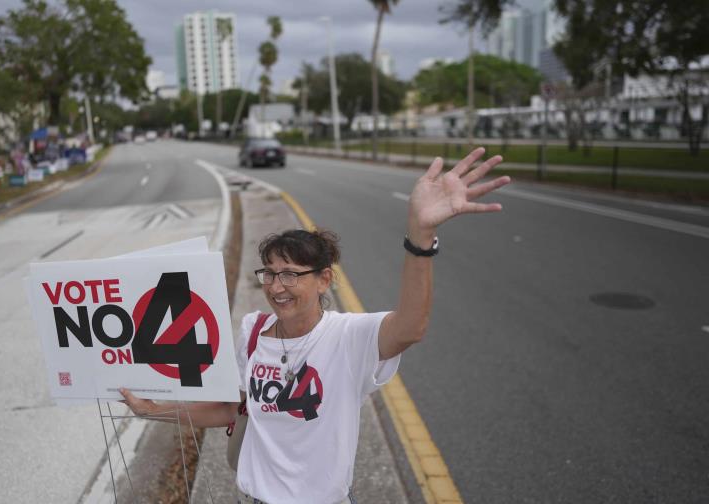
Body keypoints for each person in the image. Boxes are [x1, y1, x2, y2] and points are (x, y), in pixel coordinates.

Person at [121, 147, 511, 503]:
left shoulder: (348, 337)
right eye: (270, 274)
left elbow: (411, 326)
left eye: (291, 274)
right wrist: (152, 409)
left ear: (324, 279)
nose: (277, 287)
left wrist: (421, 237)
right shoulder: (254, 332)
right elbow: (230, 410)